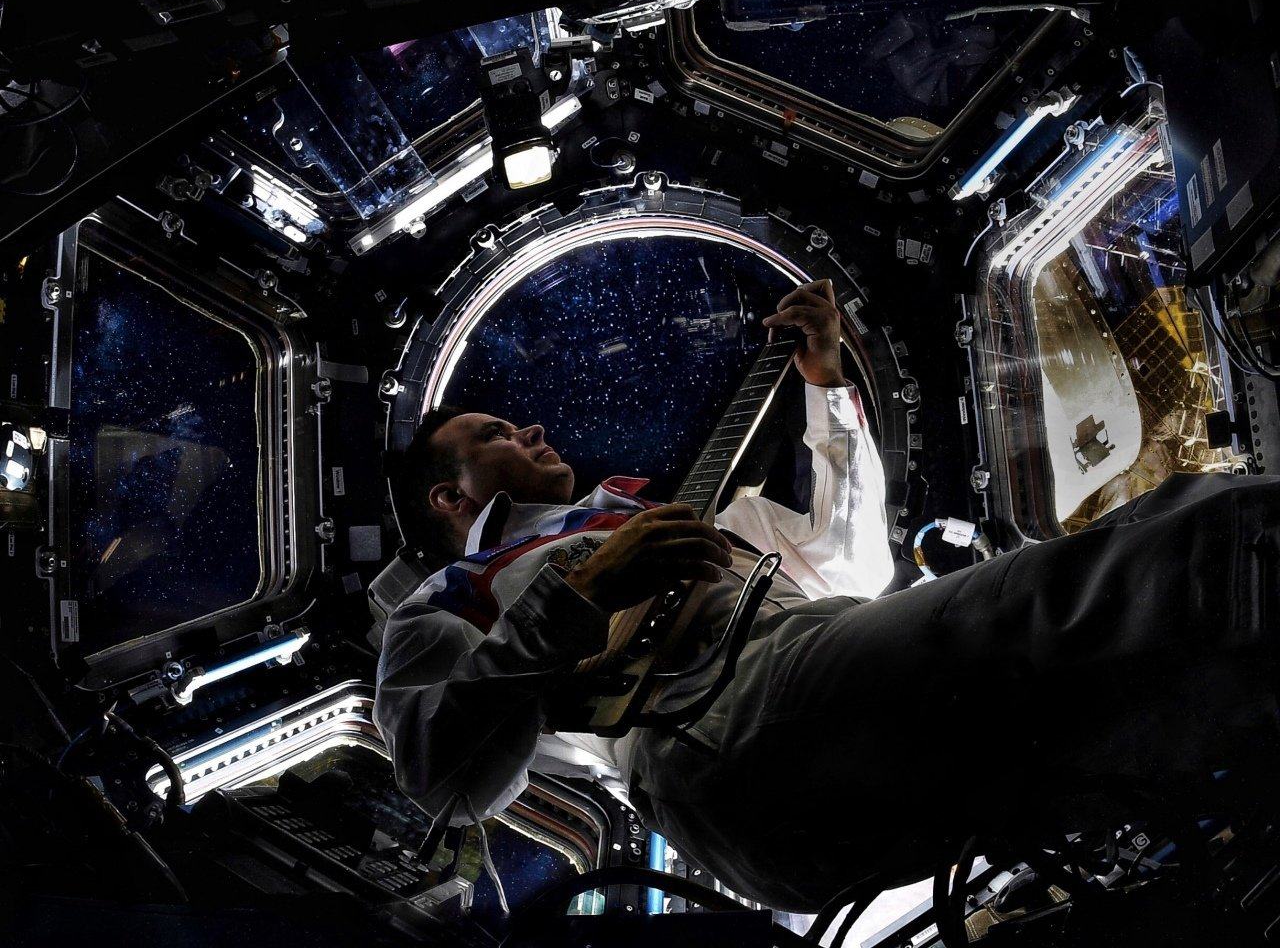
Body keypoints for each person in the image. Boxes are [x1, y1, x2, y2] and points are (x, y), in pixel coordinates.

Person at [374, 280, 1280, 912]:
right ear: (451, 499)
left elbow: (854, 570)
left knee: (1143, 737)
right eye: (494, 432)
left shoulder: (700, 524)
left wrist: (827, 388)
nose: (529, 427)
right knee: (1133, 570)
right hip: (711, 730)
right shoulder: (443, 604)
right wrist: (577, 598)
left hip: (806, 771)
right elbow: (445, 785)